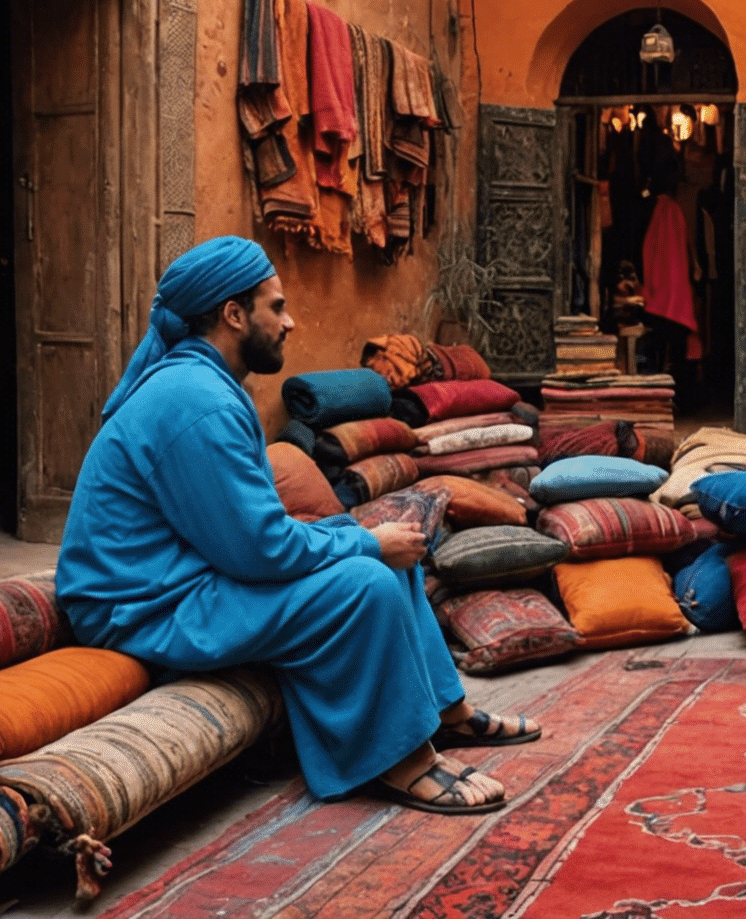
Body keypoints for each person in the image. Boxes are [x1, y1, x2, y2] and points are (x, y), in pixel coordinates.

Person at [56, 237, 536, 815]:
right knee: (367, 580)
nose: (292, 322)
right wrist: (362, 542)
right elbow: (259, 552)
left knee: (383, 554)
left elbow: (250, 538)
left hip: (184, 581)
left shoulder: (205, 386)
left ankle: (446, 712)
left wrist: (366, 543)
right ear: (234, 315)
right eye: (276, 306)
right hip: (143, 608)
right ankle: (400, 762)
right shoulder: (195, 401)